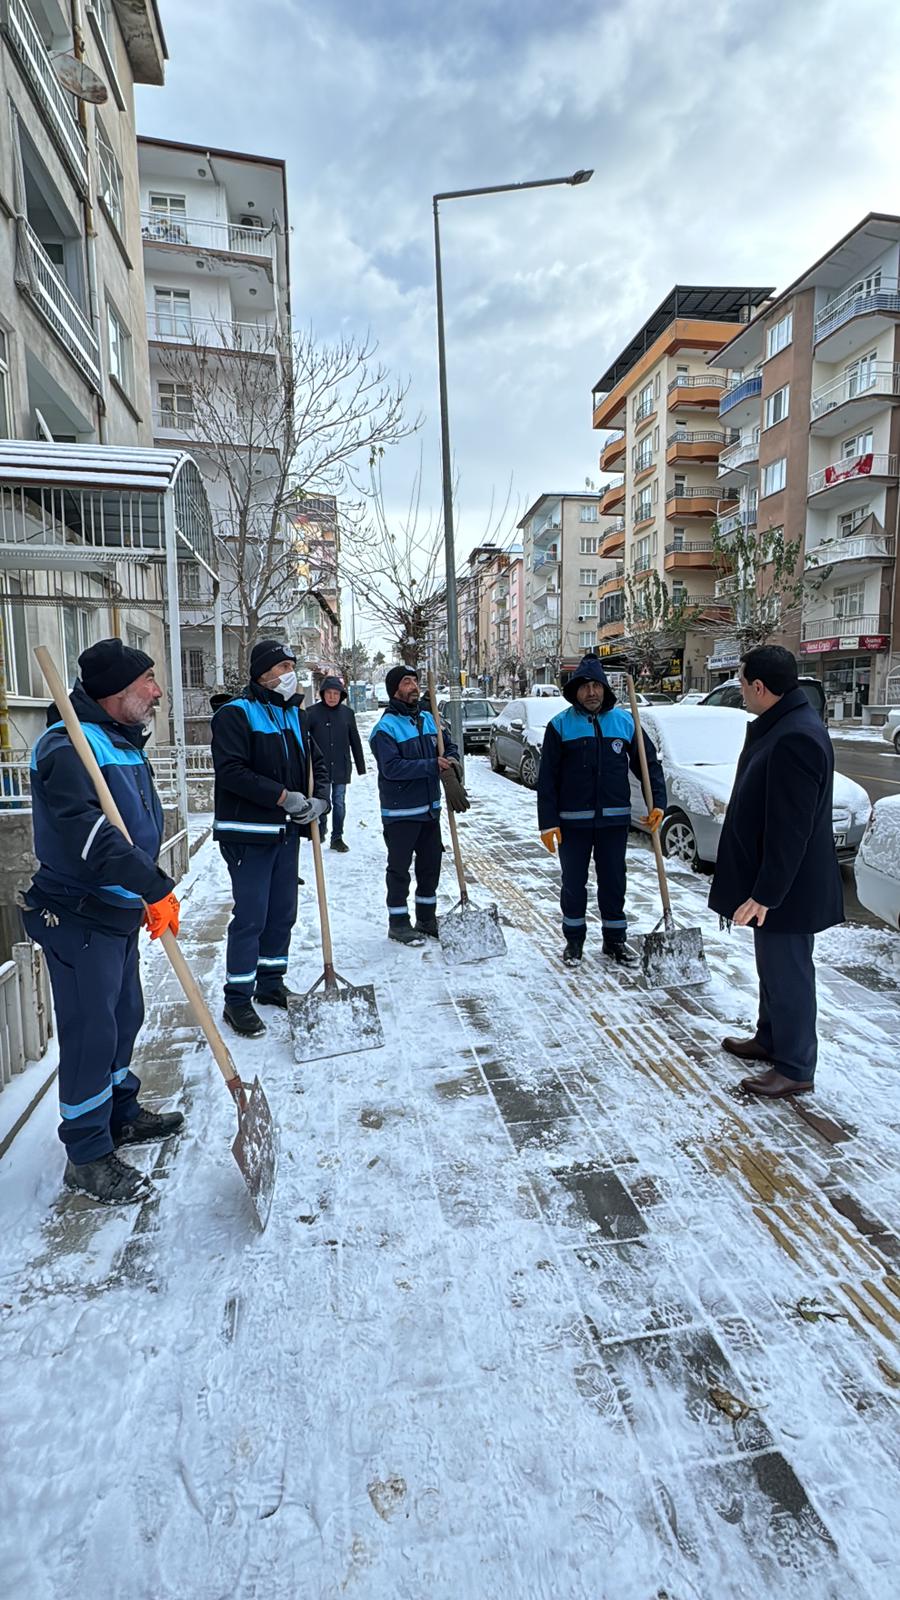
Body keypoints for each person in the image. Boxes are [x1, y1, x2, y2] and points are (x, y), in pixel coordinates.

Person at [22, 639, 184, 1206]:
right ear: (116, 691)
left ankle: (120, 1114)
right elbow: (92, 838)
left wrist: (142, 891)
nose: (158, 692)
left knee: (124, 1017)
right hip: (78, 912)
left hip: (118, 910)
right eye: (148, 682)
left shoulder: (117, 743)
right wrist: (155, 885)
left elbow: (134, 828)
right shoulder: (65, 747)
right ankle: (87, 1155)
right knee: (92, 1032)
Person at [709, 645, 843, 1098]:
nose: (742, 692)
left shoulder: (795, 737)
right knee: (772, 968)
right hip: (776, 883)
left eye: (743, 684)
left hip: (788, 889)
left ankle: (795, 1065)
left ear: (760, 688)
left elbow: (791, 829)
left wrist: (766, 894)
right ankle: (771, 1038)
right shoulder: (785, 724)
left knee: (789, 974)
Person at [211, 640, 328, 1037]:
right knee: (251, 917)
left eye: (291, 665)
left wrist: (320, 800)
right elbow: (231, 771)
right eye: (281, 666)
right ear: (261, 672)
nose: (288, 672)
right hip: (249, 834)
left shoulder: (294, 714)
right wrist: (283, 796)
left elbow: (318, 764)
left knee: (282, 913)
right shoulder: (234, 714)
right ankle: (237, 1000)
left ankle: (271, 983)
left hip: (286, 833)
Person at [537, 655, 666, 966]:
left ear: (606, 689)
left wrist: (658, 803)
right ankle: (574, 941)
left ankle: (615, 940)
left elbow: (649, 766)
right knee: (573, 883)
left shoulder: (625, 722)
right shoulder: (560, 726)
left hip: (613, 821)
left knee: (613, 881)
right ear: (575, 691)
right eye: (584, 687)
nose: (591, 692)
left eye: (596, 686)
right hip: (572, 823)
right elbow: (547, 779)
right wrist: (548, 823)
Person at [369, 664, 462, 946]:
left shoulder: (430, 718)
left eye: (416, 681)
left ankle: (425, 918)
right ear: (395, 689)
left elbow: (450, 746)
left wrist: (453, 762)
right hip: (400, 812)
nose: (414, 686)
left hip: (430, 809)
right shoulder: (384, 728)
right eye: (407, 682)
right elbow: (392, 768)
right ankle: (398, 922)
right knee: (399, 869)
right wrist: (432, 765)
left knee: (430, 866)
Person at [305, 675, 366, 852]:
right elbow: (304, 741)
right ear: (323, 694)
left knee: (339, 801)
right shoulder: (310, 713)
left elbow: (355, 740)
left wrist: (361, 766)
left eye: (336, 693)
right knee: (322, 800)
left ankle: (337, 837)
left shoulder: (347, 714)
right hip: (319, 768)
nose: (332, 697)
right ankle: (322, 827)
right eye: (329, 693)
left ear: (341, 695)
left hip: (341, 765)